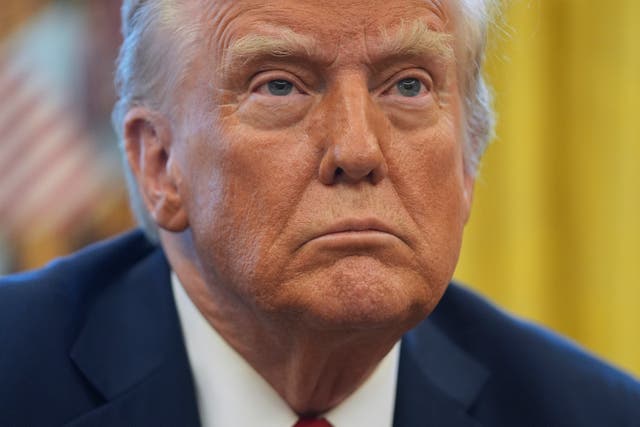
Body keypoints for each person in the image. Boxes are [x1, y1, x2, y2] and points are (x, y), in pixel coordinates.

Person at [1, 0, 639, 425]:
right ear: (159, 164)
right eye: (279, 84)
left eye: (409, 85)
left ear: (468, 162)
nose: (358, 150)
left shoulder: (592, 414)